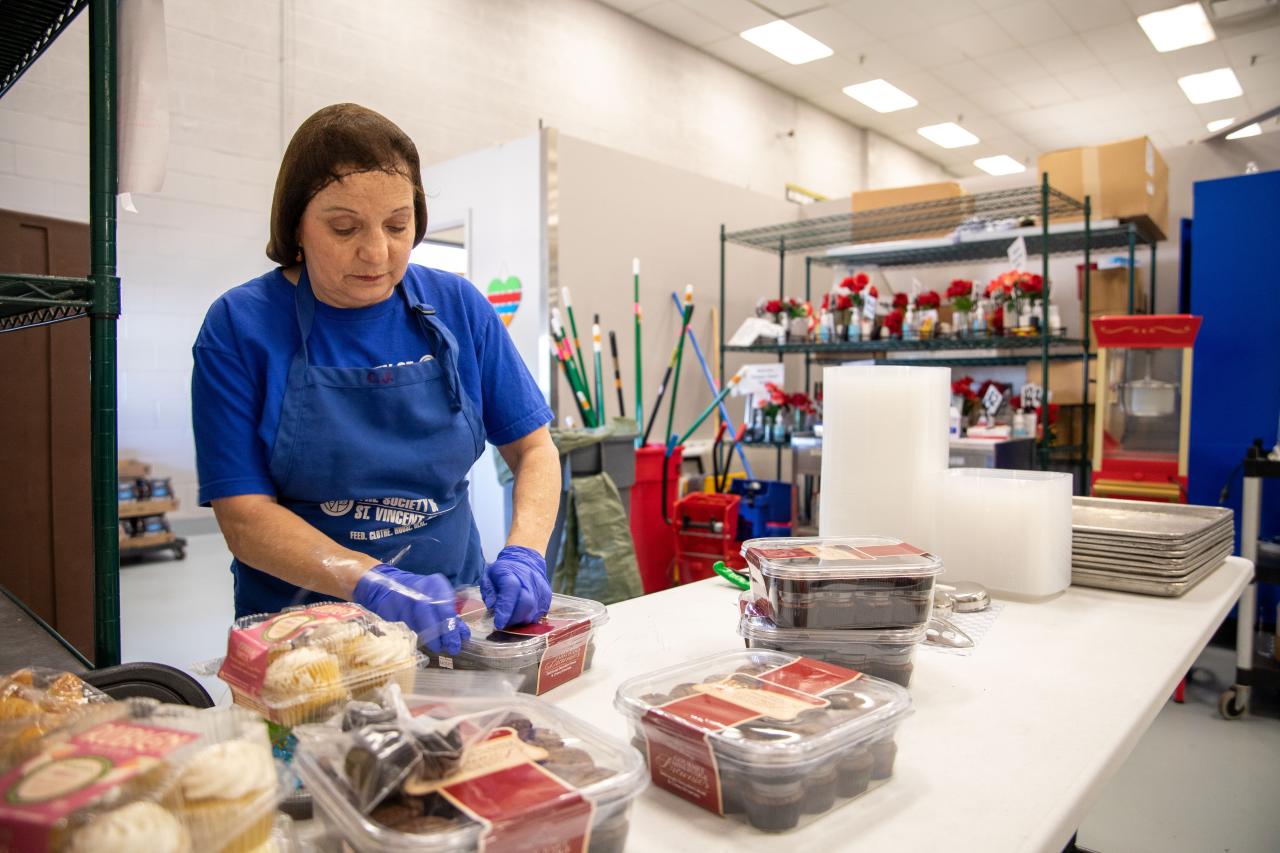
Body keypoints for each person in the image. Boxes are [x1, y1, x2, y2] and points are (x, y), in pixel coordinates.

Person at [192, 103, 559, 654]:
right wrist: (366, 579)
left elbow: (534, 449)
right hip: (304, 634)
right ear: (296, 223)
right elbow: (243, 517)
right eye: (344, 227)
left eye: (397, 225)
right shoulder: (241, 325)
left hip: (452, 619)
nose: (377, 252)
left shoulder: (458, 307)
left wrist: (525, 551)